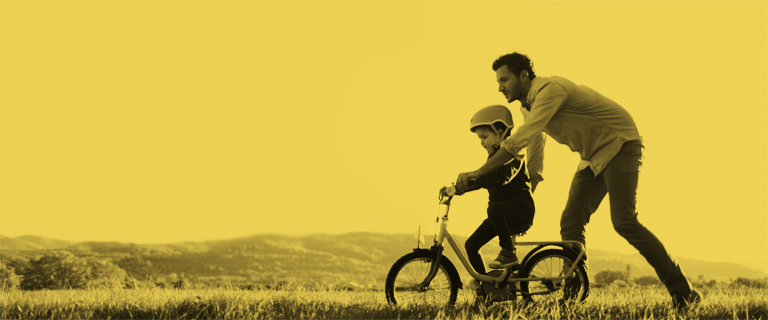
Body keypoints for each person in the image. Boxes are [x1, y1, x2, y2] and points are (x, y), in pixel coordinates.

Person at [454, 52, 702, 311]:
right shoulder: (527, 106)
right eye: (498, 81)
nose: (499, 87)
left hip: (621, 144)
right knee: (570, 223)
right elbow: (536, 141)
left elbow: (522, 138)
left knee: (624, 222)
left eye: (504, 79)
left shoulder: (551, 90)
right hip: (591, 158)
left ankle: (684, 293)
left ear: (524, 75)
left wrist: (479, 172)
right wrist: (533, 180)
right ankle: (573, 294)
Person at [443, 105, 536, 277]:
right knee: (471, 245)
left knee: (494, 208)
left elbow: (502, 178)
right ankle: (485, 285)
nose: (481, 142)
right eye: (479, 138)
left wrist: (476, 178)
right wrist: (457, 189)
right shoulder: (492, 159)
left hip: (520, 210)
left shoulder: (515, 155)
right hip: (500, 213)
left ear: (500, 132)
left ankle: (508, 253)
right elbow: (484, 181)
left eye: (484, 137)